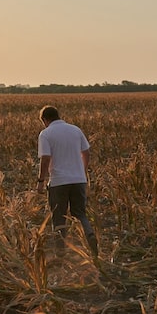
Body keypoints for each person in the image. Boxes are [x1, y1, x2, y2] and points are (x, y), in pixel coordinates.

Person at [35, 105, 98, 256]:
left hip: (58, 182)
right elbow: (86, 152)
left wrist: (40, 181)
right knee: (80, 213)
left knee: (59, 217)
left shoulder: (46, 134)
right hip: (79, 180)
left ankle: (60, 252)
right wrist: (82, 171)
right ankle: (89, 234)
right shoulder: (75, 130)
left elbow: (45, 159)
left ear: (44, 120)